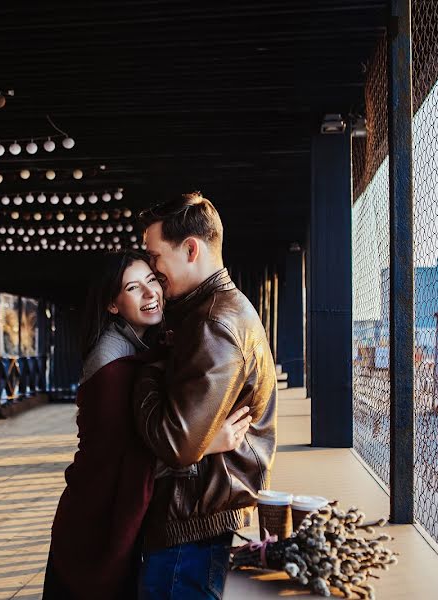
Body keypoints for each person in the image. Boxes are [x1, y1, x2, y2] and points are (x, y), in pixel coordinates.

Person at [44, 250, 253, 600]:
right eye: (132, 288)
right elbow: (116, 462)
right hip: (94, 518)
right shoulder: (109, 362)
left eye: (151, 280)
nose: (150, 293)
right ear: (113, 305)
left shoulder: (154, 342)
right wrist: (203, 443)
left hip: (114, 512)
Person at [133, 192, 278, 599]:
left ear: (191, 248)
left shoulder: (213, 322)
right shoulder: (212, 311)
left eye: (156, 256)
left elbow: (177, 442)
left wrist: (146, 368)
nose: (152, 267)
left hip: (189, 521)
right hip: (199, 514)